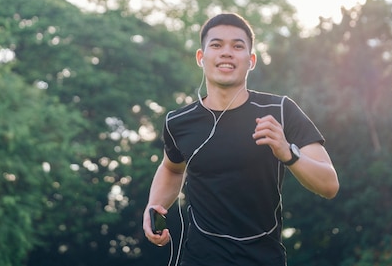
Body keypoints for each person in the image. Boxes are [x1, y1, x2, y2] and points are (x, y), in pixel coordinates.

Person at [143, 13, 339, 266]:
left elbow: (329, 184)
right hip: (200, 258)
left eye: (237, 46)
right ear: (201, 58)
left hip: (263, 259)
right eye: (216, 45)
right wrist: (153, 207)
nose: (227, 53)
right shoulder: (178, 122)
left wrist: (287, 152)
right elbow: (171, 167)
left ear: (251, 60)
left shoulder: (280, 110)